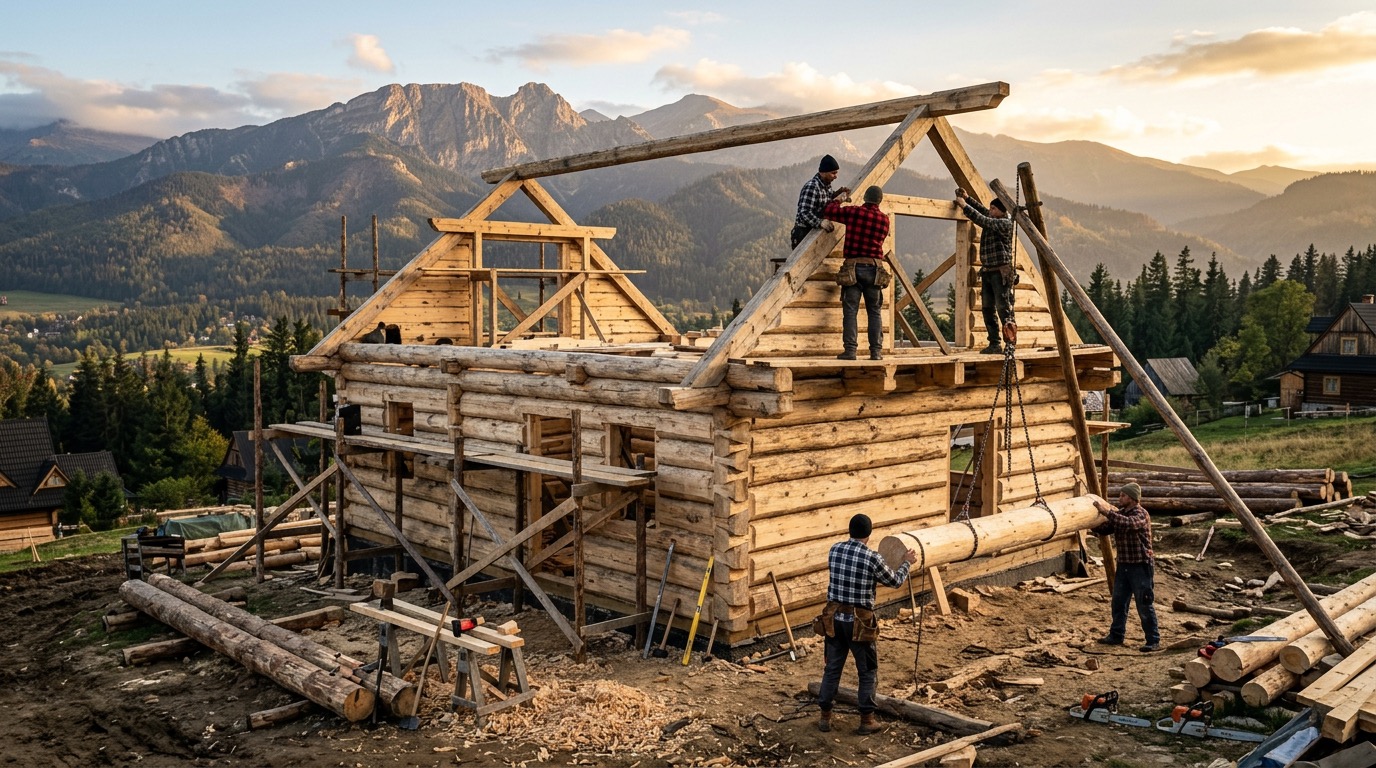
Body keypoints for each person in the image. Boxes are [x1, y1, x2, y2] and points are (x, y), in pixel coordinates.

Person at [816, 513, 918, 735]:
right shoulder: (872, 558)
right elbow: (895, 581)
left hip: (833, 620)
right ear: (869, 535)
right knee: (867, 671)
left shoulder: (835, 550)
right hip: (859, 623)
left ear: (850, 531)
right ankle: (867, 720)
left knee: (832, 669)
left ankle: (825, 717)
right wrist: (906, 563)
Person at [822, 185, 891, 360]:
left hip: (853, 268)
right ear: (879, 201)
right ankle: (876, 352)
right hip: (874, 269)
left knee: (850, 311)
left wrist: (840, 198)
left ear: (865, 198)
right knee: (874, 312)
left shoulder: (854, 213)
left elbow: (829, 210)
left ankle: (850, 351)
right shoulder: (884, 220)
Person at [1092, 482, 1161, 652]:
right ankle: (1116, 635)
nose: (1120, 498)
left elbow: (1129, 524)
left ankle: (1153, 640)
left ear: (1131, 498)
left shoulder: (1141, 514)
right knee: (1118, 602)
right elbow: (1106, 528)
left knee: (1144, 603)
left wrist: (1106, 512)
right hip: (1123, 565)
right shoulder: (1121, 514)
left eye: (1123, 495)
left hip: (1140, 566)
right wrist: (1088, 522)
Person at [954, 188, 1015, 354]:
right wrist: (968, 198)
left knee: (1004, 309)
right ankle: (994, 343)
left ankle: (1009, 344)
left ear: (1002, 211)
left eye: (994, 209)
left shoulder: (1004, 224)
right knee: (988, 309)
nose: (990, 211)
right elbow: (982, 211)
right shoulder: (994, 217)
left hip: (1000, 273)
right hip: (989, 272)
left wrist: (964, 206)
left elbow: (981, 219)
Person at [791, 155, 849, 249]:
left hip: (812, 231)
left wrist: (836, 194)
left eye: (836, 173)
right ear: (823, 173)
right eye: (833, 173)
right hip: (803, 233)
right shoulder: (812, 187)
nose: (835, 176)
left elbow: (825, 201)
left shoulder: (826, 186)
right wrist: (820, 222)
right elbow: (804, 213)